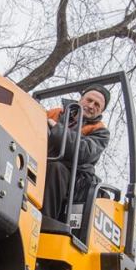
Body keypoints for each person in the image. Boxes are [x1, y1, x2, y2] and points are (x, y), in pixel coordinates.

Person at [42, 84, 111, 221]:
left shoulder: (100, 131)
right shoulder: (56, 113)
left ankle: (43, 221)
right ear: (80, 100)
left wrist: (56, 129)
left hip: (74, 178)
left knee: (56, 168)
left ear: (101, 111)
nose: (91, 106)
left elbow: (83, 151)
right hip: (41, 161)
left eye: (97, 105)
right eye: (89, 100)